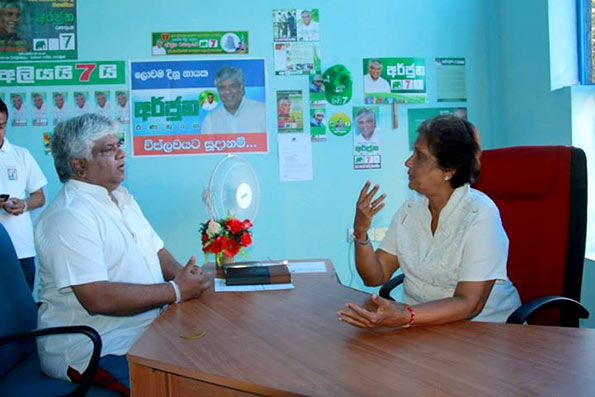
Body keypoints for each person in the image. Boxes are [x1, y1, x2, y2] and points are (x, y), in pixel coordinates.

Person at [34, 114, 211, 393]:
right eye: (108, 149)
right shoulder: (70, 215)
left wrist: (184, 275)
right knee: (186, 388)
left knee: (215, 360)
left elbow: (156, 250)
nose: (121, 153)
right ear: (79, 166)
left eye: (119, 144)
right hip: (96, 347)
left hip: (146, 330)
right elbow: (96, 297)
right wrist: (176, 290)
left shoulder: (122, 197)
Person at [338, 115, 521, 329]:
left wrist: (406, 314)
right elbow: (375, 276)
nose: (408, 162)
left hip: (485, 331)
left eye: (419, 155)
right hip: (426, 329)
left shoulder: (481, 214)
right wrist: (361, 233)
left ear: (449, 170)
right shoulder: (411, 209)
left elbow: (469, 303)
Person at [0, 98, 47, 291]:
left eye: (1, 126)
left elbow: (39, 196)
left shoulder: (21, 155)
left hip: (20, 249)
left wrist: (24, 205)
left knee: (22, 312)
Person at [201, 66, 266, 133]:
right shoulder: (210, 120)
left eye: (233, 86)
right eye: (222, 88)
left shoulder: (263, 111)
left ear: (242, 87)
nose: (228, 92)